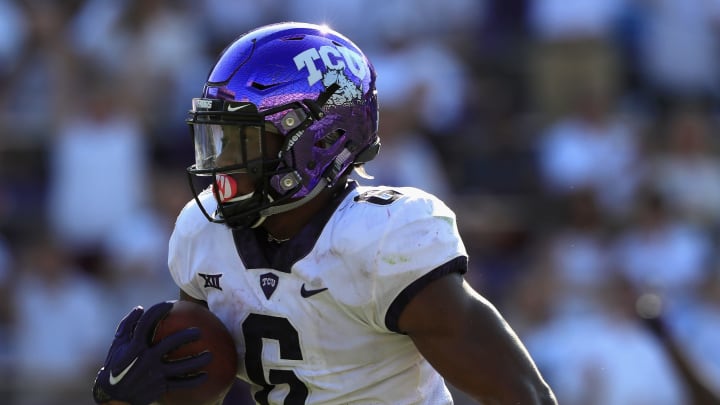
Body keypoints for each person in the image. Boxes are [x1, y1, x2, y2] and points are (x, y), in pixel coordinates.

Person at [91, 22, 557, 405]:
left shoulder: (383, 241)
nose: (222, 161)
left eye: (242, 140)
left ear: (317, 140)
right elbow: (197, 378)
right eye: (217, 138)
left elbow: (523, 396)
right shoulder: (202, 231)